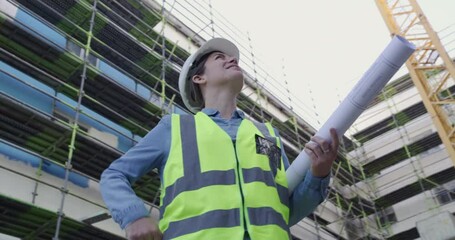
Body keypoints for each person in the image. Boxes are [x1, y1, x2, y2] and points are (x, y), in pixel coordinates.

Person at [100, 38, 339, 240]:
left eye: (233, 58)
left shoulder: (267, 135)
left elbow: (285, 210)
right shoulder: (175, 128)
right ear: (199, 78)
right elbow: (114, 175)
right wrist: (134, 216)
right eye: (219, 58)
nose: (232, 59)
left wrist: (318, 175)